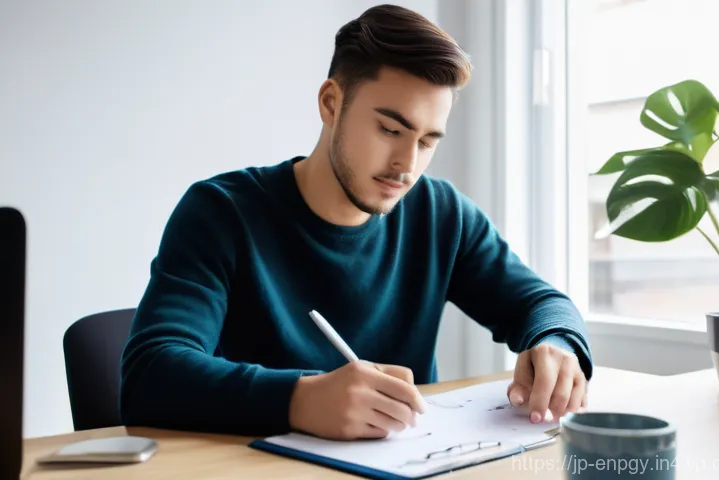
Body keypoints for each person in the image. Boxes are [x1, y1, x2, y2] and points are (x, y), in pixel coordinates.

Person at [120, 4, 593, 440]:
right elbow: (150, 373)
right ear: (330, 103)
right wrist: (299, 399)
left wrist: (555, 342)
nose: (407, 165)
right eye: (390, 129)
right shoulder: (220, 212)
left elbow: (542, 304)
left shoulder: (440, 214)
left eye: (427, 141)